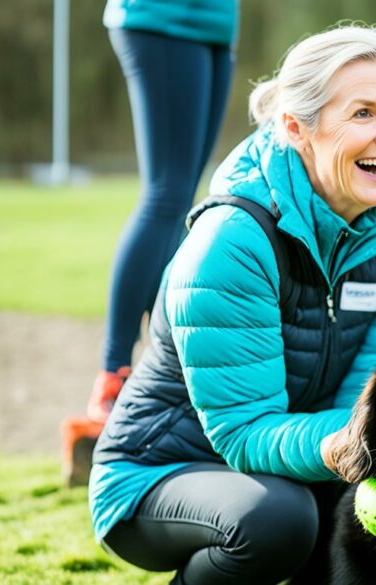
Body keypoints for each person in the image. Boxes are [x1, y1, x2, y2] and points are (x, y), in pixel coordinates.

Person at [88, 25, 376, 584]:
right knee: (281, 520)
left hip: (290, 464)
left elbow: (372, 408)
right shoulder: (231, 242)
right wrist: (348, 443)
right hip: (158, 475)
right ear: (297, 128)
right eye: (363, 114)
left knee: (365, 509)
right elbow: (245, 432)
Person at [61, 0, 239, 486]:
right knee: (166, 195)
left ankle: (158, 359)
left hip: (216, 22)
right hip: (161, 16)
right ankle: (113, 373)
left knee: (183, 198)